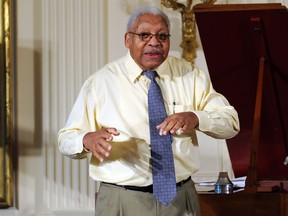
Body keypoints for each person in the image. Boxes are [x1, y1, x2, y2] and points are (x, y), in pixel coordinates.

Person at [58, 6, 240, 216]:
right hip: (122, 199)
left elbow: (231, 122)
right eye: (144, 35)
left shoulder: (189, 75)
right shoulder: (100, 83)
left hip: (180, 199)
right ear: (128, 40)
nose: (154, 42)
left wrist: (196, 118)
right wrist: (87, 139)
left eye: (162, 36)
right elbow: (65, 139)